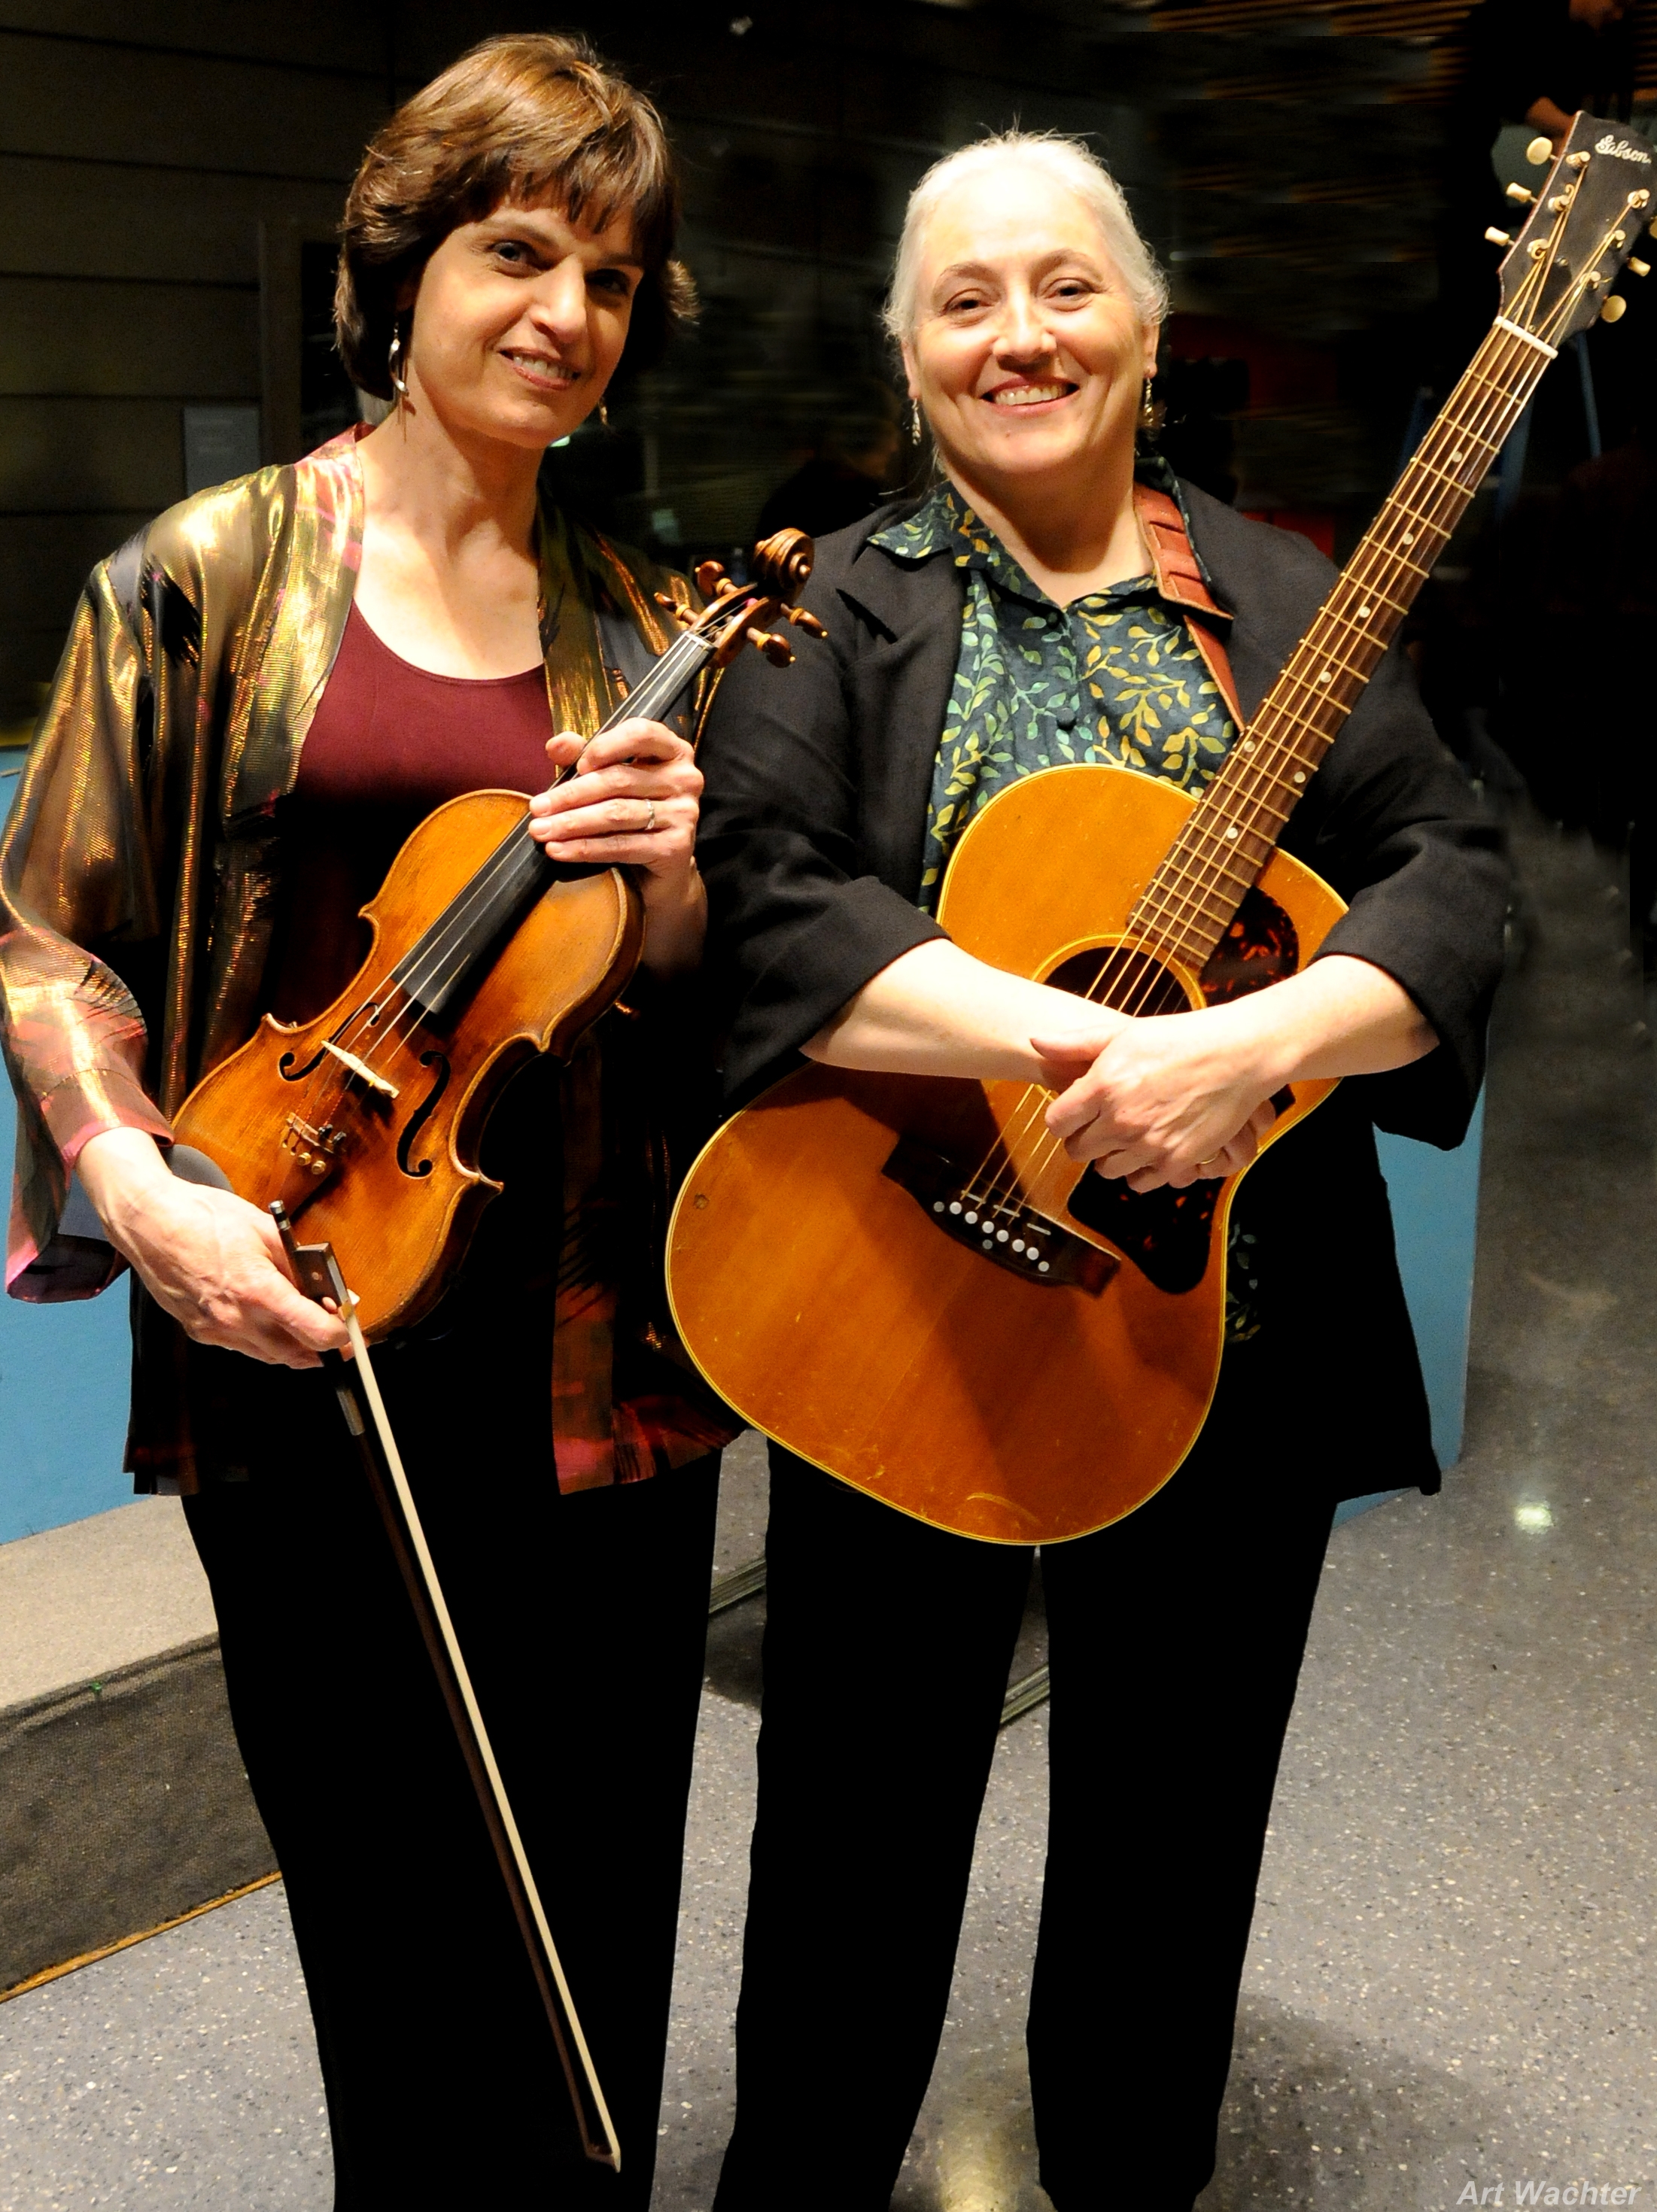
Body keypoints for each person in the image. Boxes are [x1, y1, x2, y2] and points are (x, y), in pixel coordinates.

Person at [695, 132, 1509, 2210]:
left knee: (1174, 1829)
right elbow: (764, 898)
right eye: (963, 300)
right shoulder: (822, 609)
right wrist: (1069, 1041)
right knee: (851, 1828)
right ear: (904, 354)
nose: (1020, 335)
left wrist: (1253, 1042)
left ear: (1144, 329)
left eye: (1065, 288)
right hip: (904, 1297)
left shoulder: (1284, 596)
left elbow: (1450, 874)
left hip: (1213, 1329)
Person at [0, 35, 737, 2207]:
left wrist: (678, 886)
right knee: (384, 1909)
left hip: (595, 1365)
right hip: (296, 1327)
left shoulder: (652, 616)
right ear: (400, 268)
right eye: (517, 252)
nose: (565, 313)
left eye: (612, 277)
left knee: (594, 1898)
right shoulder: (202, 576)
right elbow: (44, 938)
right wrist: (137, 1184)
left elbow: (684, 990)